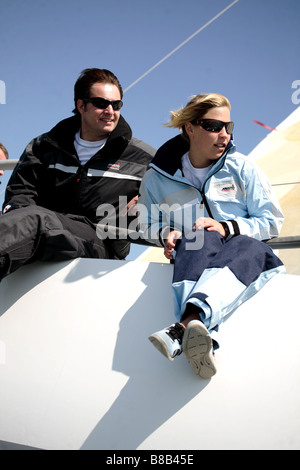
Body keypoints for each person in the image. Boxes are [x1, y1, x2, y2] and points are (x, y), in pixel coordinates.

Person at [138, 93, 285, 379]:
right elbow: (145, 223)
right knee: (198, 236)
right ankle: (197, 334)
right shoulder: (156, 178)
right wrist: (165, 233)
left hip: (248, 259)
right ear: (189, 128)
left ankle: (181, 329)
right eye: (214, 126)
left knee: (243, 243)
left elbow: (271, 221)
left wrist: (226, 227)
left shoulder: (243, 168)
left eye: (229, 127)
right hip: (194, 256)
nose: (224, 135)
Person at [0, 68, 155, 281]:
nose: (110, 110)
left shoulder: (143, 158)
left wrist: (146, 207)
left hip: (100, 244)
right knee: (29, 220)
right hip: (45, 236)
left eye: (116, 105)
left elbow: (172, 203)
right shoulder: (44, 146)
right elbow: (20, 192)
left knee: (35, 220)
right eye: (101, 103)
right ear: (81, 105)